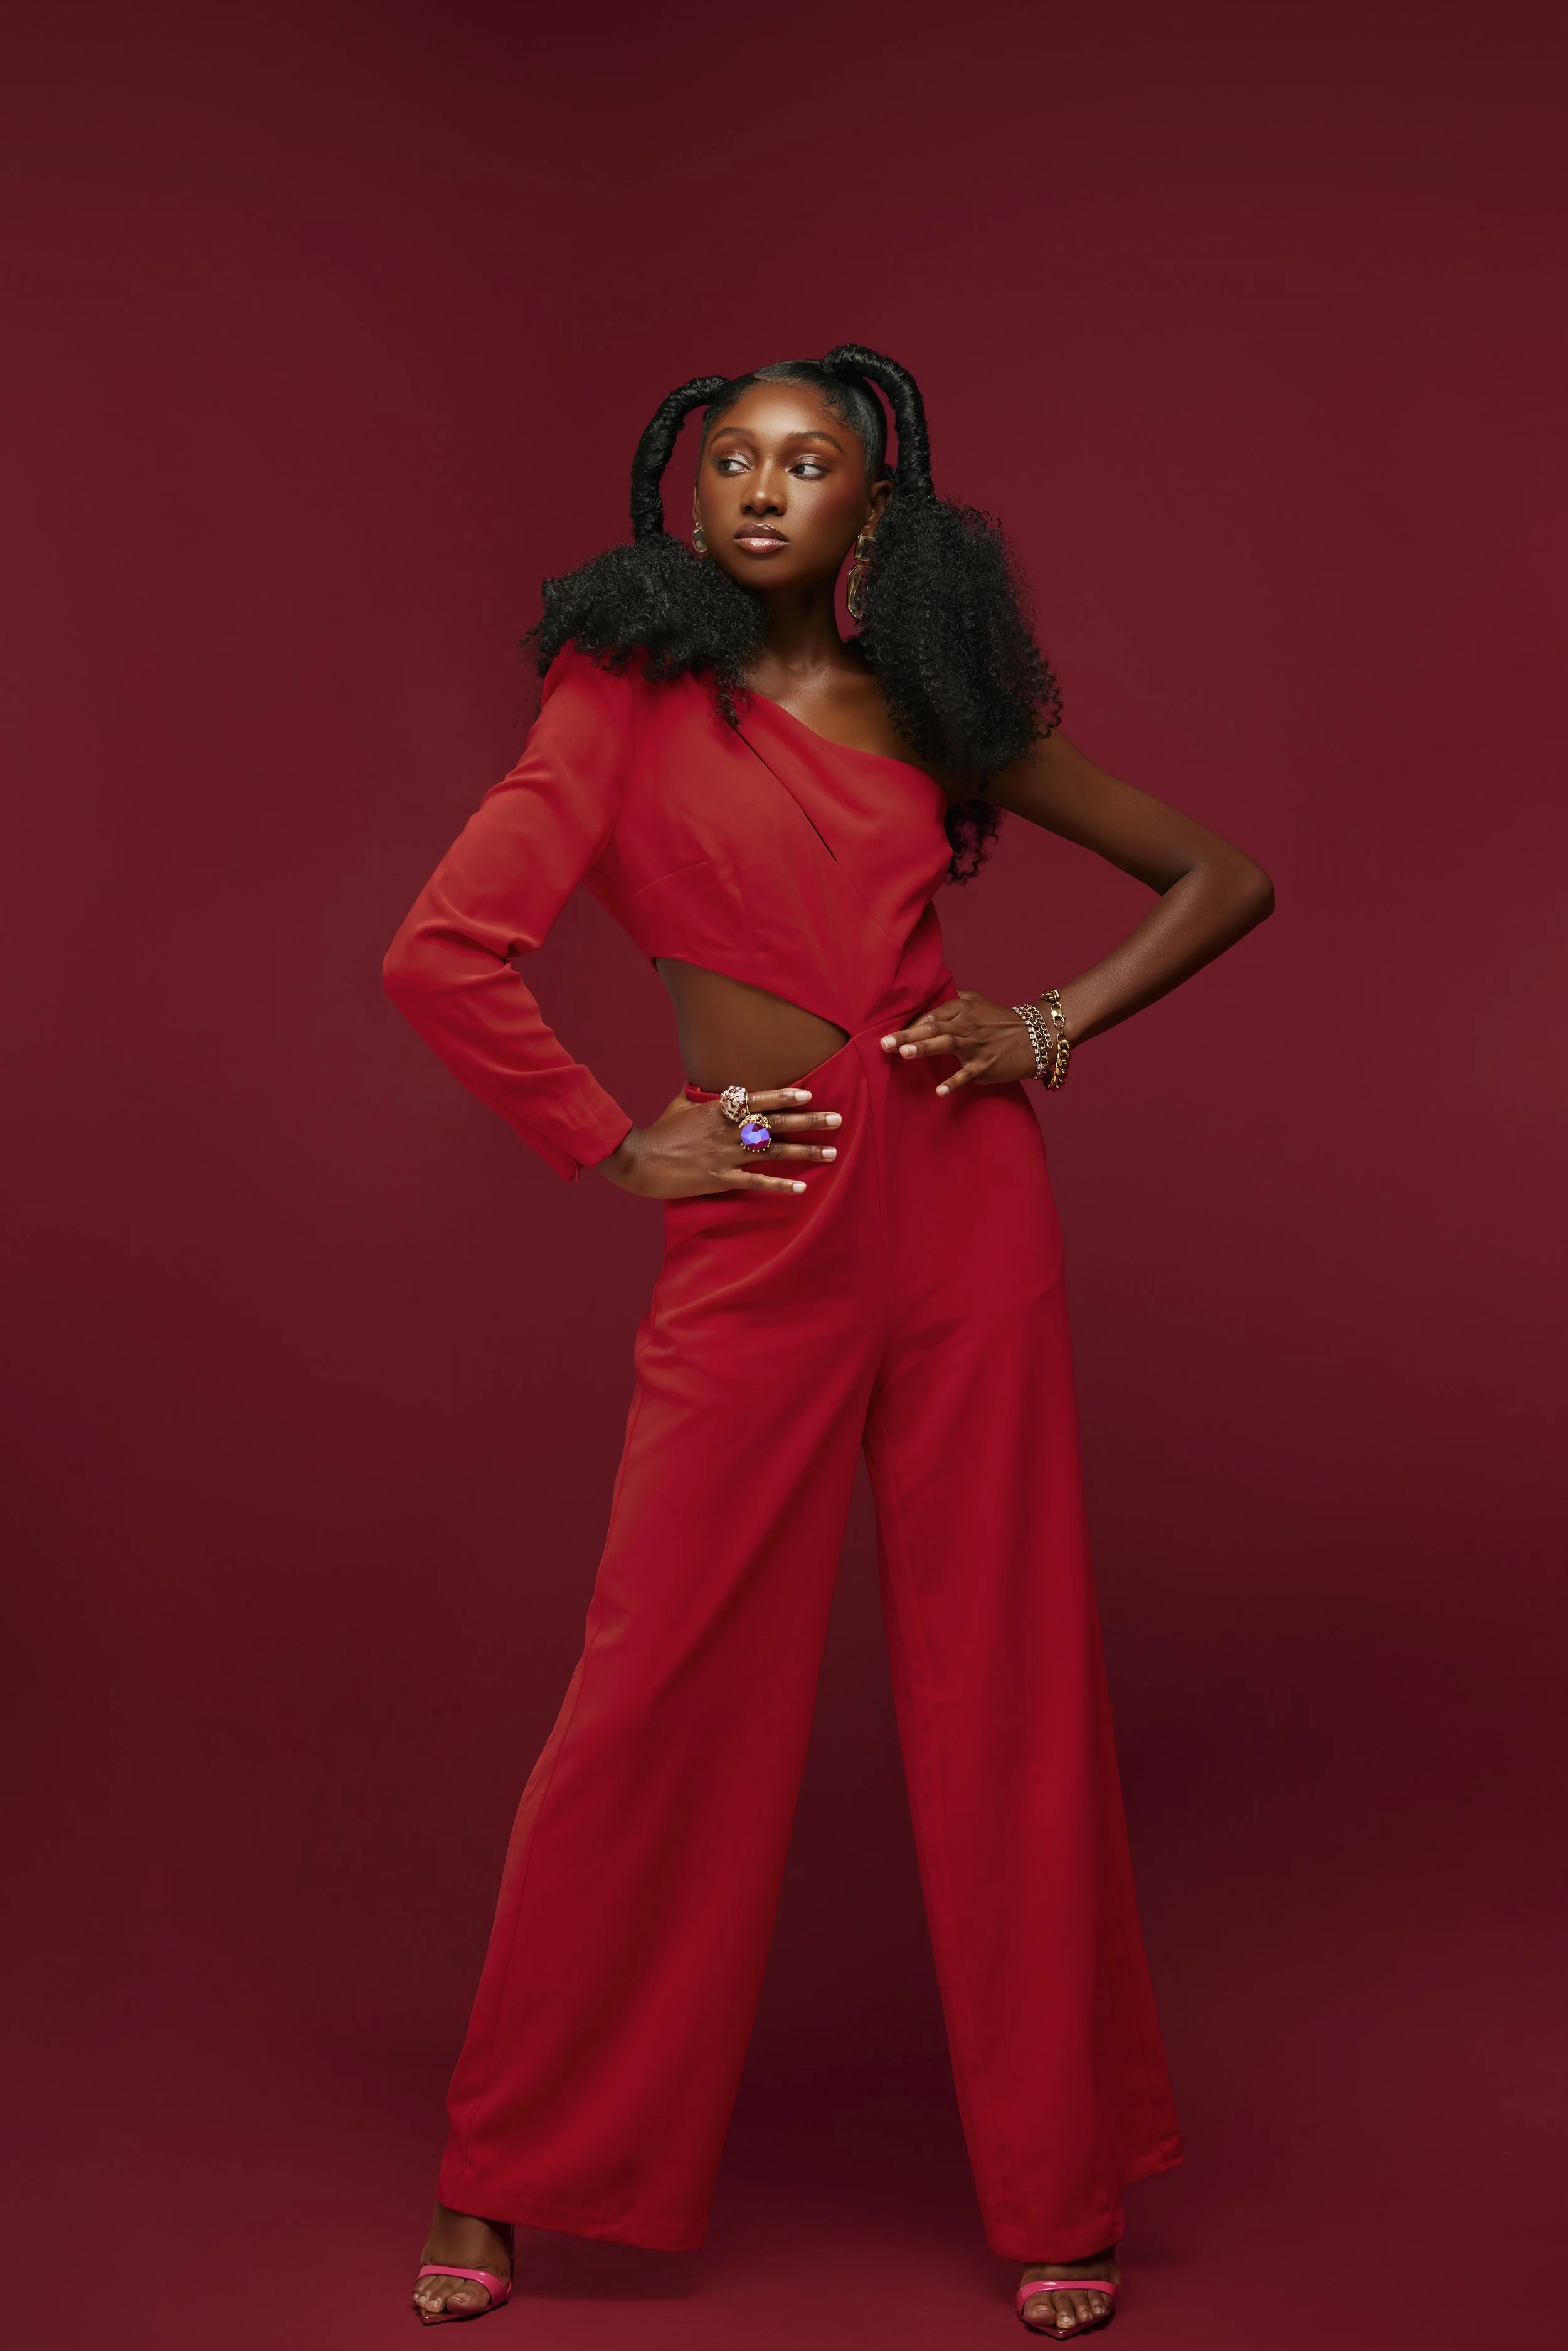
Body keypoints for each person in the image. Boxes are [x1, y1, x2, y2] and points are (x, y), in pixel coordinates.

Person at [382, 344, 1274, 2337]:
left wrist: (1040, 1026)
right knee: (651, 1697)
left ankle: (1059, 2185)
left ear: (883, 512)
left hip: (963, 1218)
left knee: (1009, 1697)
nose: (767, 488)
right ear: (682, 500)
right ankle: (507, 2170)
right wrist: (616, 1142)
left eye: (812, 462)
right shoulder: (615, 701)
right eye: (735, 461)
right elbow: (445, 948)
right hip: (762, 1225)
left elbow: (1222, 876)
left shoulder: (940, 708)